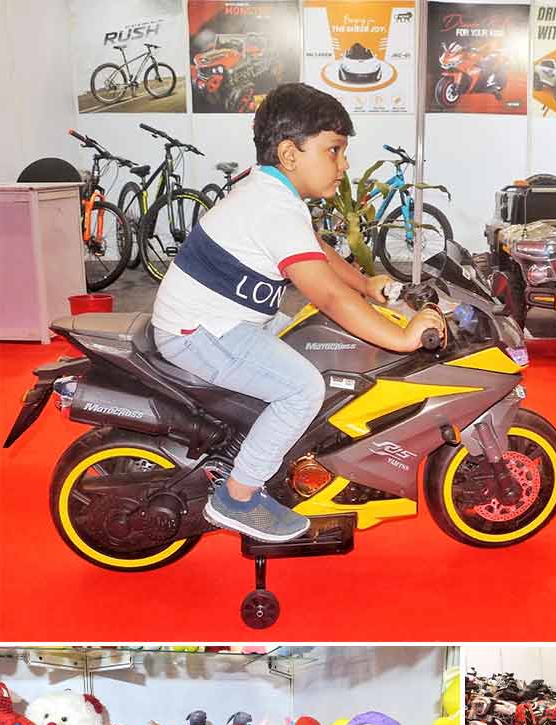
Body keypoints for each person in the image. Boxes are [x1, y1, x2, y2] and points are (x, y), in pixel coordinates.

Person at [151, 83, 444, 543]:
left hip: (227, 319)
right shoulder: (272, 207)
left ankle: (273, 450)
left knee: (316, 339)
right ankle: (239, 496)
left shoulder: (273, 193)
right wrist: (404, 336)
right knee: (303, 388)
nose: (344, 165)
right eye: (334, 150)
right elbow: (329, 295)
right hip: (201, 331)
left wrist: (365, 283)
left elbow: (316, 250)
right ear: (291, 154)